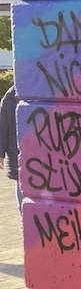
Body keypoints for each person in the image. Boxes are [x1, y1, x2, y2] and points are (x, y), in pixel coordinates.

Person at [0, 85, 21, 213]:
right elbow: (2, 128)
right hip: (17, 153)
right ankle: (24, 218)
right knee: (21, 184)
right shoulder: (9, 98)